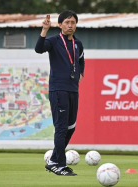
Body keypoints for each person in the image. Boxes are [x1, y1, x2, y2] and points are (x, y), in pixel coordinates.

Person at [35, 10, 85, 176]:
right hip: (58, 90)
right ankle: (60, 165)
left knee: (71, 127)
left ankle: (53, 160)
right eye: (67, 22)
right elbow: (39, 49)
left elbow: (80, 60)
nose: (70, 25)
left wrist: (80, 73)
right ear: (60, 25)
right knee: (62, 128)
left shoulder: (78, 44)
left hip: (73, 90)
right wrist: (44, 30)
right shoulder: (54, 41)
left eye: (73, 22)